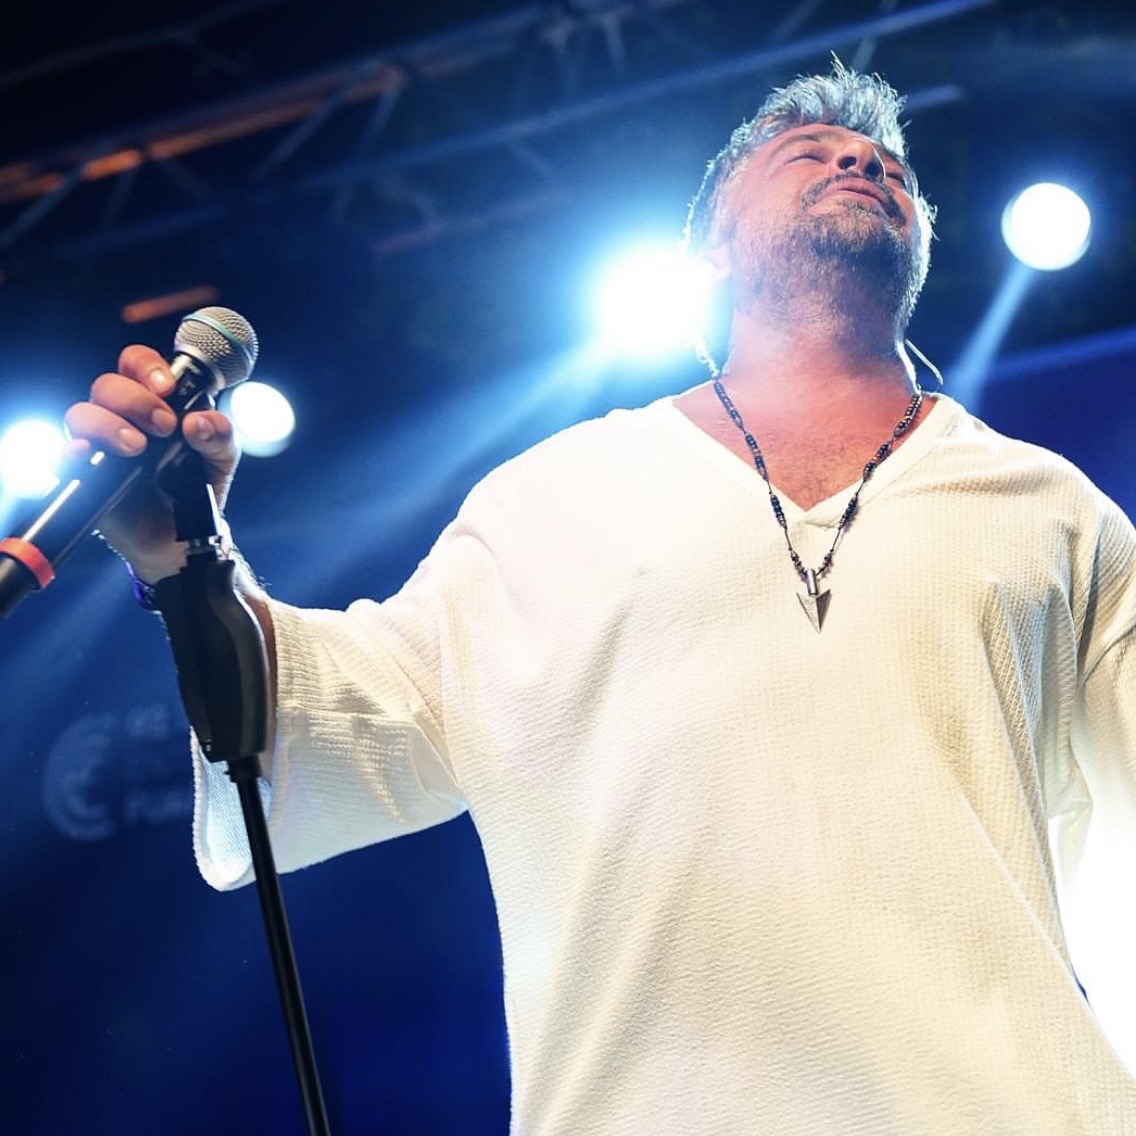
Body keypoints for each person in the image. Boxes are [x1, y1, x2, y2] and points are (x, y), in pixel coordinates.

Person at [63, 59, 1136, 1134]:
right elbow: (322, 720)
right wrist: (185, 555)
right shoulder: (554, 495)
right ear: (709, 249)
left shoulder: (1050, 508)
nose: (861, 161)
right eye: (806, 152)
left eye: (889, 167)